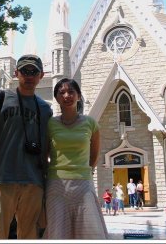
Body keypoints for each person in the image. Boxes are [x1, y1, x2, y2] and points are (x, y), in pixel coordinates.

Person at [0, 54, 52, 240]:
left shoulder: (45, 109)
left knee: (30, 235)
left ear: (41, 75)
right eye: (24, 71)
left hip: (34, 182)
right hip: (2, 179)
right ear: (16, 73)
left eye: (33, 71)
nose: (29, 75)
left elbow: (46, 147)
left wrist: (47, 180)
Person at [43, 78, 108, 239]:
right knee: (58, 231)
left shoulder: (90, 123)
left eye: (71, 91)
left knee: (90, 231)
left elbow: (94, 155)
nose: (67, 95)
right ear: (57, 98)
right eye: (61, 92)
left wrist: (87, 171)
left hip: (83, 184)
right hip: (56, 184)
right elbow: (44, 154)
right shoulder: (50, 124)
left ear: (79, 96)